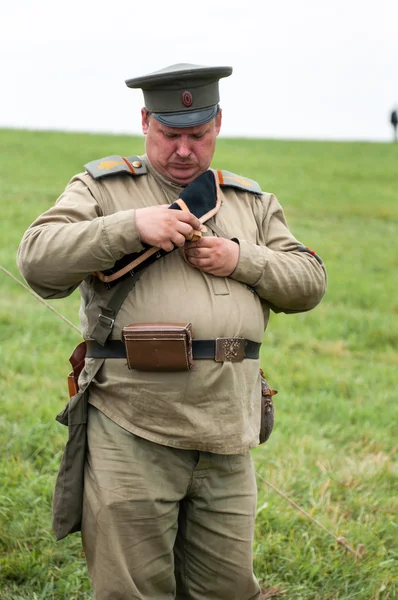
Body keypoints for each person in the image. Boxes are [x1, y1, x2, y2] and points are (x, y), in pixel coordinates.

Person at [17, 63, 327, 600]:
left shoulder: (251, 203)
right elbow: (37, 259)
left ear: (219, 125)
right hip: (132, 424)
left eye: (198, 135)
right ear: (144, 122)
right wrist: (131, 226)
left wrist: (241, 259)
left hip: (228, 431)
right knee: (131, 591)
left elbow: (309, 281)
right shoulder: (104, 188)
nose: (184, 150)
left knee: (228, 590)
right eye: (170, 134)